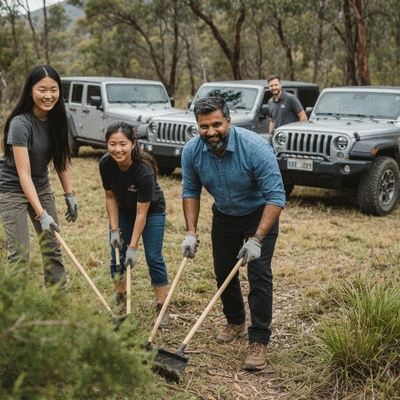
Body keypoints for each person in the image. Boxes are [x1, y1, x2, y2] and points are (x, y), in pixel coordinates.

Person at [181, 96, 286, 371]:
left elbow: (276, 197)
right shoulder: (192, 152)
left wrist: (257, 239)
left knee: (258, 274)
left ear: (228, 120)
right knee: (223, 271)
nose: (211, 131)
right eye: (204, 126)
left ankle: (259, 339)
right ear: (197, 126)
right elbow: (190, 191)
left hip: (259, 215)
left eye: (217, 124)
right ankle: (236, 320)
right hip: (224, 215)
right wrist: (191, 232)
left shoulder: (255, 148)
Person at [0, 64, 78, 288]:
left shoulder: (59, 119)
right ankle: (15, 313)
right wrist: (41, 213)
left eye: (53, 89)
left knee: (52, 246)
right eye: (41, 89)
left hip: (41, 186)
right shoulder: (20, 124)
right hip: (12, 189)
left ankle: (56, 305)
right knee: (20, 253)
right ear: (30, 91)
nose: (48, 95)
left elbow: (61, 160)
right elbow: (23, 175)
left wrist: (69, 194)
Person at [99, 121, 169, 328]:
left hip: (151, 212)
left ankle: (162, 306)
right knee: (117, 256)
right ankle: (121, 300)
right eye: (112, 144)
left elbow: (142, 212)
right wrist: (114, 231)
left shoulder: (144, 170)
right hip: (124, 210)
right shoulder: (105, 163)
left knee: (153, 257)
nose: (117, 149)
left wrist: (133, 246)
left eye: (123, 144)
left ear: (133, 143)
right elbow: (110, 197)